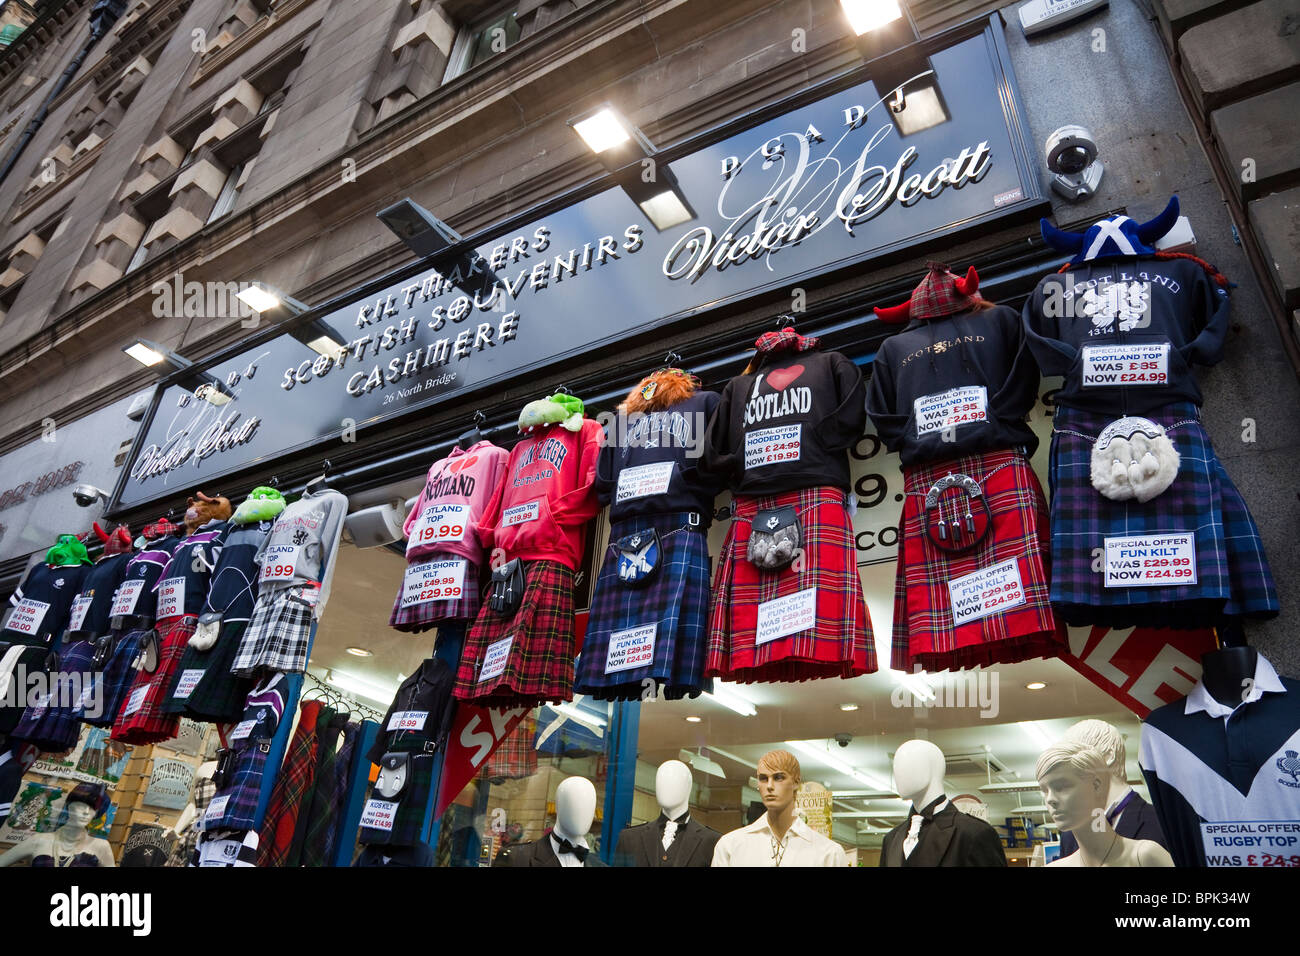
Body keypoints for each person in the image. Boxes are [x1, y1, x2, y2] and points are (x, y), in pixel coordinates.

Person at [712, 749, 848, 867]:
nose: (769, 786)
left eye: (778, 778)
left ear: (796, 782)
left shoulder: (829, 853)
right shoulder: (730, 845)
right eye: (763, 779)